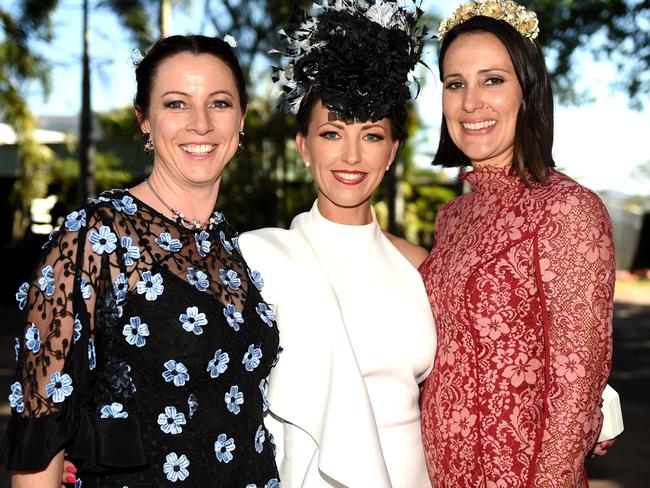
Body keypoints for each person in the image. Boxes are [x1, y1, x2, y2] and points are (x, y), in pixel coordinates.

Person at [2, 35, 281, 487]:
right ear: (144, 121)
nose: (201, 124)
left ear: (242, 120)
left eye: (220, 103)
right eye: (176, 104)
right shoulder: (92, 239)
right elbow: (40, 438)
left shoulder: (229, 245)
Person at [238, 2, 436, 487]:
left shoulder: (422, 265)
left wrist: (594, 400)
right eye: (332, 133)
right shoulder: (257, 257)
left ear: (391, 152)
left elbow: (498, 354)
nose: (351, 156)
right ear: (304, 147)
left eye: (371, 135)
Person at [418, 1, 616, 487]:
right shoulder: (453, 216)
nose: (470, 103)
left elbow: (574, 393)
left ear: (528, 91)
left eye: (492, 80)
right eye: (455, 83)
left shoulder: (567, 210)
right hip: (438, 473)